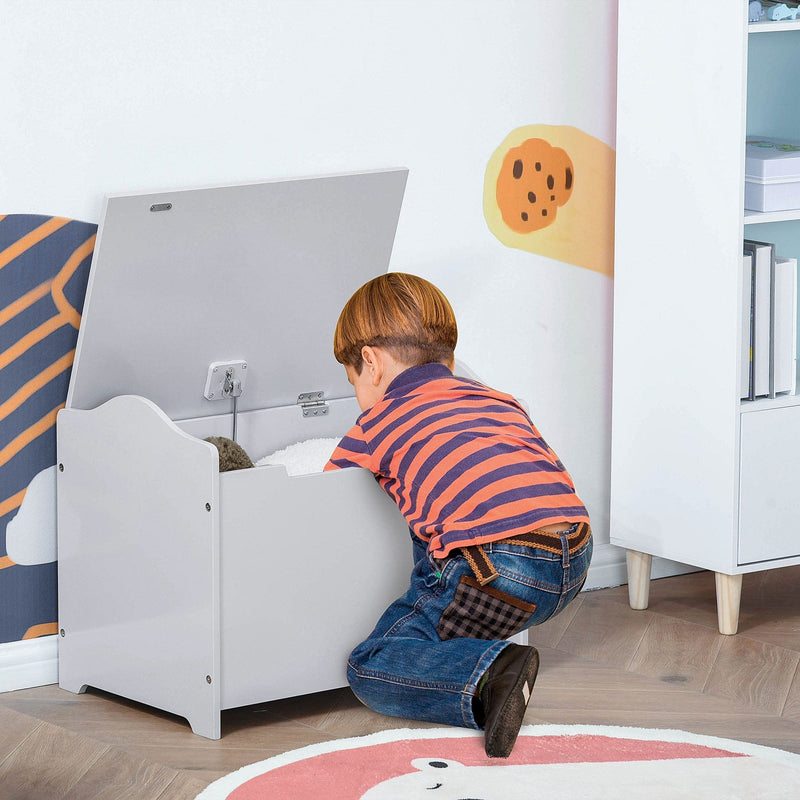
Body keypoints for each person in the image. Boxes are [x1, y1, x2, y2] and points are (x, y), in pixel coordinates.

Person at [324, 272, 592, 758]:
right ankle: (494, 662)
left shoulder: (376, 422)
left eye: (354, 384)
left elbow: (322, 494)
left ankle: (493, 672)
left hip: (499, 571)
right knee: (442, 510)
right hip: (572, 559)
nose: (359, 398)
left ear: (371, 363)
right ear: (447, 356)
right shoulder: (500, 401)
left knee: (372, 663)